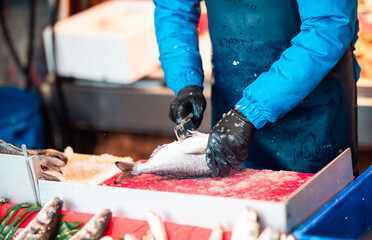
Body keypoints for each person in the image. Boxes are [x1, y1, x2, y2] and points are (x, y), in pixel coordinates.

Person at [154, 0, 359, 177]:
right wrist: (185, 82)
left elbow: (328, 27)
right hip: (232, 103)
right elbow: (174, 10)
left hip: (316, 115)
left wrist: (252, 111)